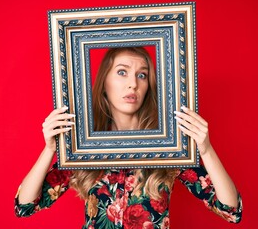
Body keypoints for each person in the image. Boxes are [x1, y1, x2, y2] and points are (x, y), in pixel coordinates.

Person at [15, 47, 242, 228]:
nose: (133, 83)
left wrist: (206, 150)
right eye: (122, 72)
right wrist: (49, 150)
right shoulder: (82, 145)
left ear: (148, 86)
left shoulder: (169, 144)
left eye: (141, 75)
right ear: (104, 82)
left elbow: (231, 211)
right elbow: (24, 206)